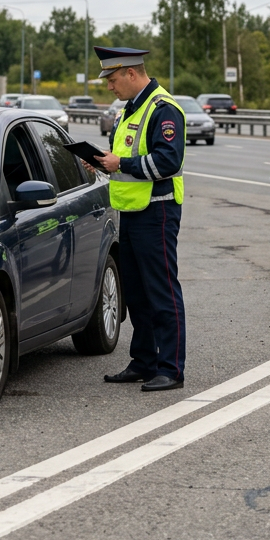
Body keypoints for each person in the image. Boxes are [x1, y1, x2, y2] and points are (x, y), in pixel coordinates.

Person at [92, 46, 188, 392]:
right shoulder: (130, 110)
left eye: (113, 79)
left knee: (161, 290)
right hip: (132, 211)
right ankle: (144, 361)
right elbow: (125, 157)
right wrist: (104, 162)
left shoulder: (164, 109)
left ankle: (171, 368)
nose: (110, 87)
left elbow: (168, 161)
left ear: (132, 73)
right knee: (136, 293)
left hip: (157, 211)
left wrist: (122, 164)